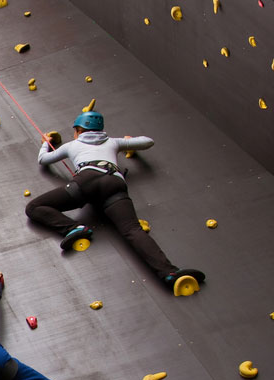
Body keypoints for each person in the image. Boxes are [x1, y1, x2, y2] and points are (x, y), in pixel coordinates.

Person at [25, 111, 205, 294]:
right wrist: (130, 140)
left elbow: (43, 160)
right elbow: (148, 141)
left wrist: (45, 144)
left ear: (79, 130)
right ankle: (170, 273)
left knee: (34, 207)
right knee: (133, 230)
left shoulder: (73, 144)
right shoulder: (113, 141)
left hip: (87, 181)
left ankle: (73, 228)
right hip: (114, 183)